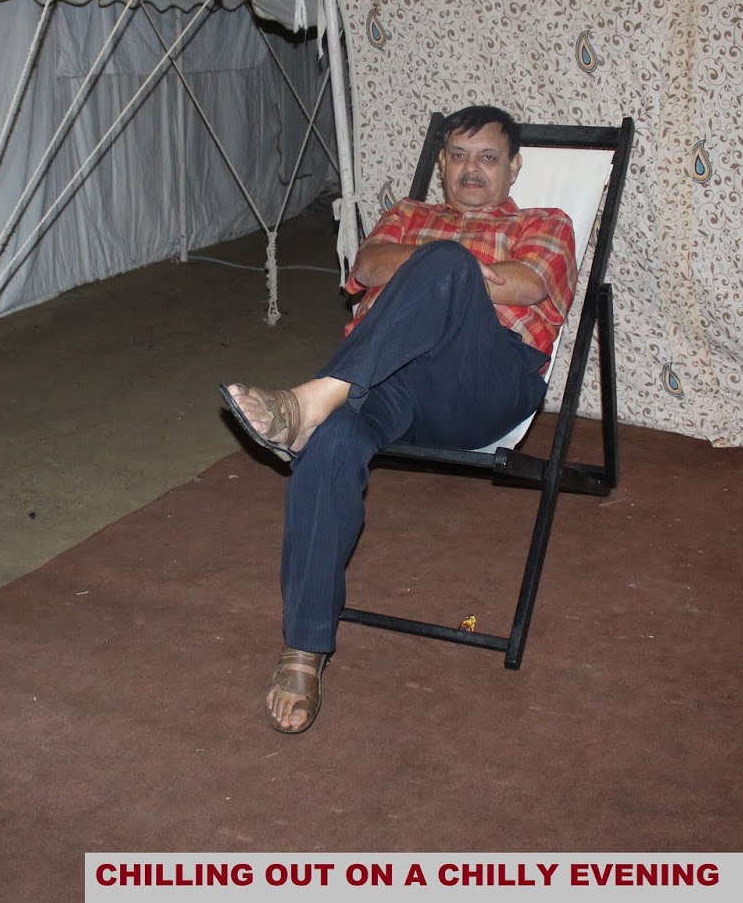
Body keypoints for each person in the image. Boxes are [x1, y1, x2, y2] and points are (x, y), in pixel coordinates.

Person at [221, 105, 577, 733]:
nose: (471, 169)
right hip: (390, 380)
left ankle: (311, 400)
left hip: (483, 381)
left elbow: (525, 284)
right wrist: (447, 266)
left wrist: (448, 270)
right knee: (333, 443)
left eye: (488, 158)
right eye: (458, 155)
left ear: (514, 167)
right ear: (441, 163)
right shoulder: (408, 212)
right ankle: (303, 649)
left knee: (447, 265)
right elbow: (366, 267)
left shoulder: (545, 222)